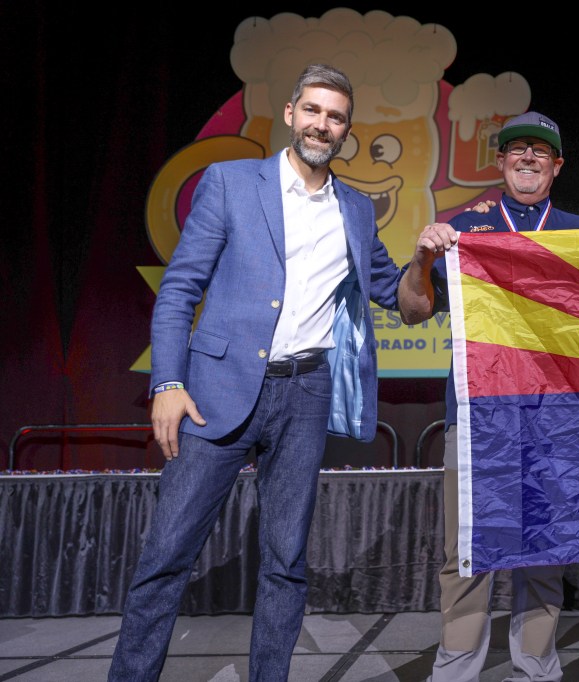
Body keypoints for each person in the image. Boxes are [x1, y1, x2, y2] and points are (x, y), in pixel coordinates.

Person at [108, 63, 439, 682]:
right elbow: (180, 289)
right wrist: (168, 384)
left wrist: (421, 257)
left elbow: (406, 302)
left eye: (335, 116)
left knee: (285, 561)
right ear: (290, 114)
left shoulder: (357, 209)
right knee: (165, 556)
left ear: (346, 130)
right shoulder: (231, 183)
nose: (322, 123)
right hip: (214, 394)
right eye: (312, 110)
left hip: (306, 394)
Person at [399, 112, 579, 681]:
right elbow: (412, 312)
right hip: (478, 416)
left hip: (557, 419)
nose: (528, 158)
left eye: (541, 151)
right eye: (517, 150)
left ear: (557, 165)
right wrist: (423, 259)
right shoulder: (462, 229)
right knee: (467, 549)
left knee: (546, 549)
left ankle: (536, 665)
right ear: (501, 162)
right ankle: (457, 666)